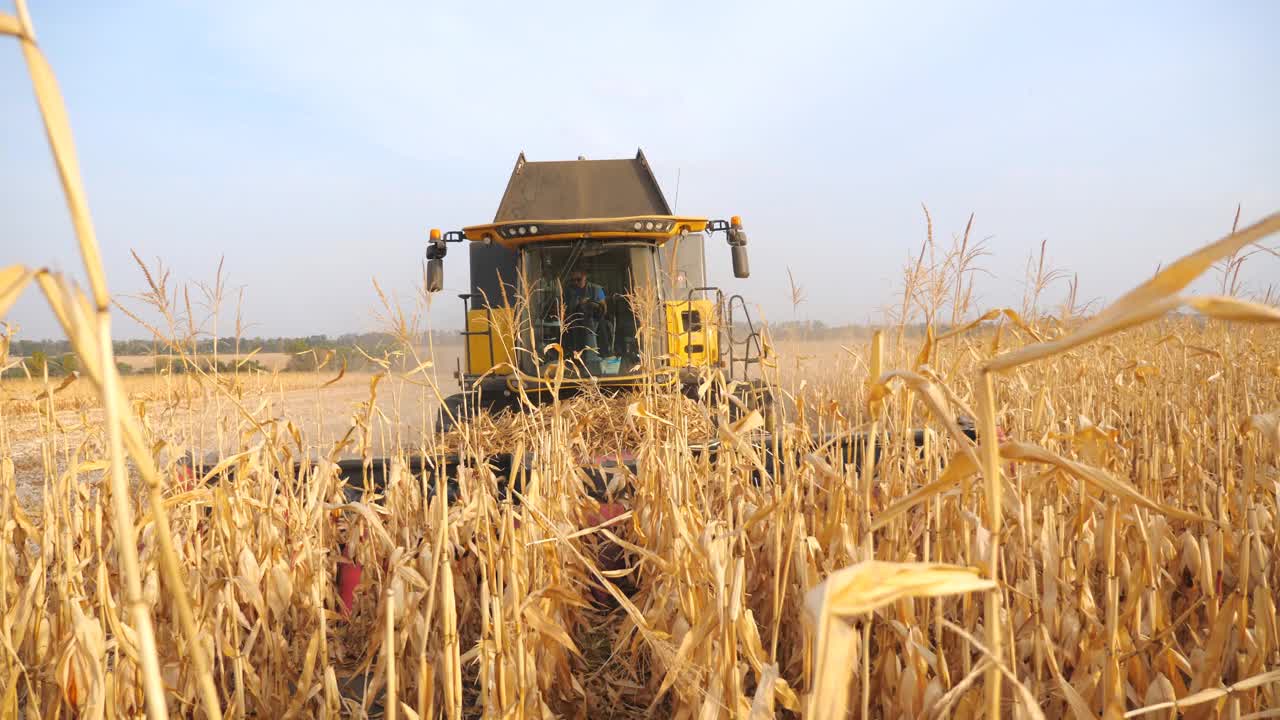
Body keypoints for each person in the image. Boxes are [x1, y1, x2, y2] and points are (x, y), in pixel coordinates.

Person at [562, 269, 606, 371]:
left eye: (578, 279)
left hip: (595, 326)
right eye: (573, 280)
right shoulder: (569, 291)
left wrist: (589, 304)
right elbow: (565, 309)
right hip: (575, 327)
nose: (576, 283)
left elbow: (604, 310)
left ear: (585, 277)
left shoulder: (596, 289)